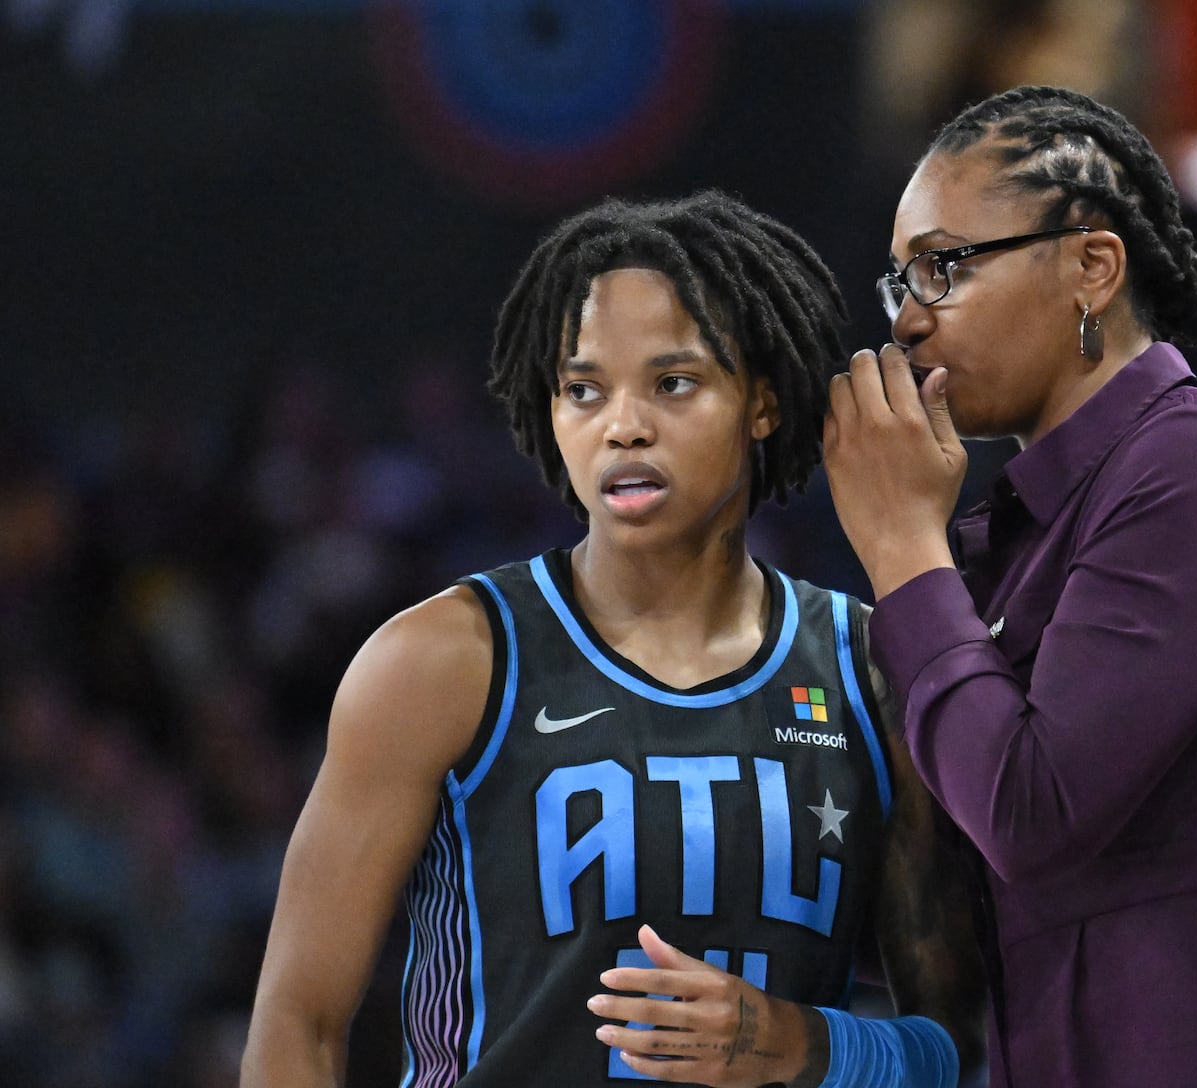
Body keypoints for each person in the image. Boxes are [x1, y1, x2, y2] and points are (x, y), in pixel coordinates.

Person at [240, 191, 984, 1088]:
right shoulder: (443, 661)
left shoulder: (870, 668)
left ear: (759, 401)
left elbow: (959, 1052)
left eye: (673, 383)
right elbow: (296, 1023)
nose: (622, 426)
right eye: (584, 389)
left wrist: (801, 1044)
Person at [822, 85, 1197, 1088]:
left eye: (943, 267)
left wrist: (899, 550)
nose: (910, 322)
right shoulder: (999, 544)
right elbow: (941, 910)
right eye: (899, 283)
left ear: (1092, 266)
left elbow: (1032, 807)